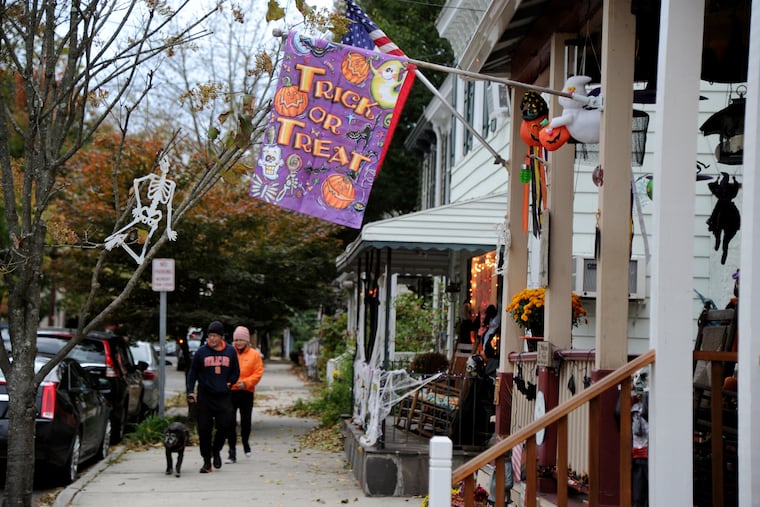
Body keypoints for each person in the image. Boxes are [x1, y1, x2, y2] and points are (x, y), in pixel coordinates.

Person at [186, 320, 240, 473]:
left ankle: (216, 451)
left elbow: (236, 371)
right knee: (204, 430)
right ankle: (206, 461)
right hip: (205, 396)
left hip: (223, 396)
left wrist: (230, 383)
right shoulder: (201, 352)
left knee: (224, 427)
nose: (212, 339)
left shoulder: (230, 351)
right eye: (210, 336)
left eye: (215, 336)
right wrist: (191, 391)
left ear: (221, 337)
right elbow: (193, 373)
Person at [225, 326, 264, 463]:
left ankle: (246, 442)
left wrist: (246, 383)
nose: (238, 342)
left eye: (241, 340)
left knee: (245, 421)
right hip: (231, 392)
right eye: (236, 340)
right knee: (230, 422)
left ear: (247, 341)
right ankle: (232, 452)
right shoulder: (229, 352)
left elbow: (258, 373)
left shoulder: (254, 355)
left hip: (246, 392)